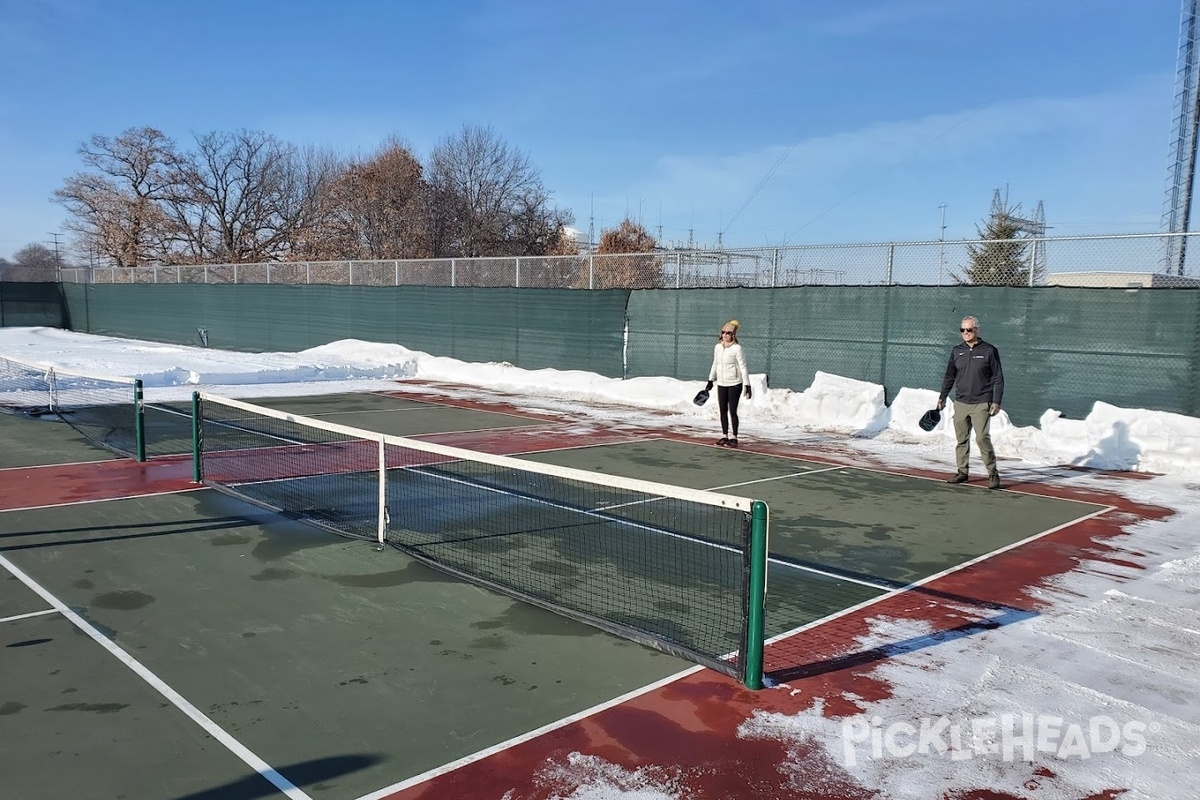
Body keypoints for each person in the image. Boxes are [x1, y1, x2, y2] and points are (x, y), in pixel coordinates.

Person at [937, 315, 1005, 489]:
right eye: (963, 330)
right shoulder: (956, 351)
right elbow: (949, 376)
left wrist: (996, 401)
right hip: (961, 402)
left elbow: (998, 377)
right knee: (961, 440)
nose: (966, 333)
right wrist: (943, 396)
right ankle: (962, 472)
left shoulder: (989, 351)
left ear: (977, 330)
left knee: (982, 438)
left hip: (982, 402)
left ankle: (993, 473)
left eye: (969, 329)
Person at [704, 319, 751, 447]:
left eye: (728, 333)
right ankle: (724, 436)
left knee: (732, 411)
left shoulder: (737, 349)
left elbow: (743, 367)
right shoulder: (718, 347)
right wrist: (710, 380)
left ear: (733, 335)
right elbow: (715, 363)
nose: (725, 335)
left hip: (735, 383)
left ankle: (734, 437)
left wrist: (747, 385)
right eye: (723, 332)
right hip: (721, 383)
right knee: (722, 410)